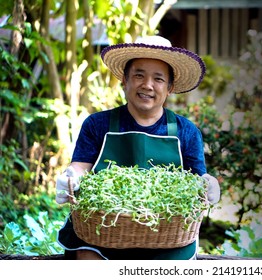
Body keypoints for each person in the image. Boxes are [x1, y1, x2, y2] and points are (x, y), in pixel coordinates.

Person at [55, 35, 221, 260]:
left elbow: (198, 180)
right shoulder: (98, 124)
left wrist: (209, 184)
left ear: (170, 87)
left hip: (166, 237)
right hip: (103, 233)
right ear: (125, 80)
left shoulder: (185, 131)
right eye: (139, 75)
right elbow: (81, 167)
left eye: (159, 79)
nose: (148, 85)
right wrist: (71, 178)